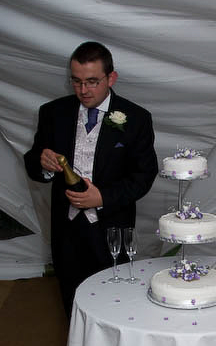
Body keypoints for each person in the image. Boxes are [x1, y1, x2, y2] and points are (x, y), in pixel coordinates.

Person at [24, 41, 158, 318]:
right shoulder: (53, 113)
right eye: (76, 81)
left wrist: (103, 197)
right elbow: (33, 163)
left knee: (115, 305)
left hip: (112, 231)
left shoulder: (137, 118)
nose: (83, 90)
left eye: (92, 82)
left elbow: (144, 175)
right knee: (72, 304)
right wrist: (43, 163)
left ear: (111, 78)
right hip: (66, 231)